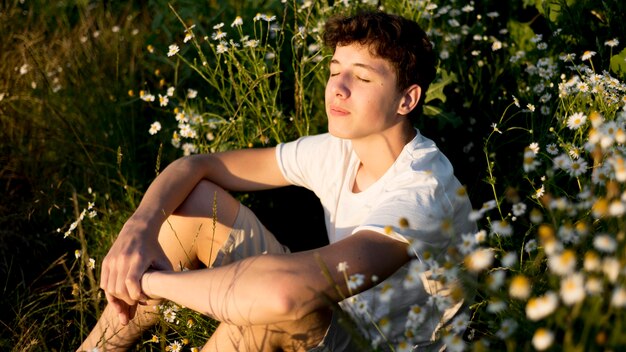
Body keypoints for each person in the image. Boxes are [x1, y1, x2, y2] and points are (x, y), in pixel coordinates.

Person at [78, 10, 475, 352]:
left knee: (268, 308)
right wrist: (138, 230)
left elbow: (282, 295)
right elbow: (198, 166)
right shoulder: (341, 148)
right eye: (335, 71)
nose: (337, 87)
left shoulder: (422, 191)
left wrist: (153, 282)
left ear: (407, 99)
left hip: (379, 346)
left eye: (362, 78)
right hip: (341, 315)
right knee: (196, 205)